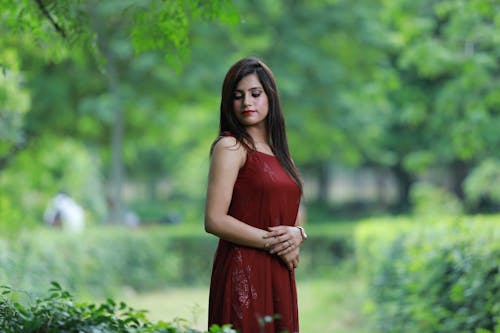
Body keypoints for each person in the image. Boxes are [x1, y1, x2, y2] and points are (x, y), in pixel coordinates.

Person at [205, 57, 307, 333]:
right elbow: (214, 220)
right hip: (243, 271)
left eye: (255, 93)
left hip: (279, 271)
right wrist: (275, 244)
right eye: (237, 96)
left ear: (270, 97)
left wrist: (299, 233)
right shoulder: (230, 147)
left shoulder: (281, 154)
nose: (247, 102)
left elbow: (296, 210)